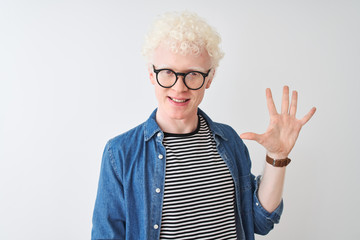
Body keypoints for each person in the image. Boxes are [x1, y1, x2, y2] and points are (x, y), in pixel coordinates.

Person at [91, 11, 316, 240]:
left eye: (193, 74)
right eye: (168, 72)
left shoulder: (229, 141)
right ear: (151, 74)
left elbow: (260, 221)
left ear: (209, 78)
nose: (179, 87)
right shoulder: (119, 153)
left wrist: (277, 157)